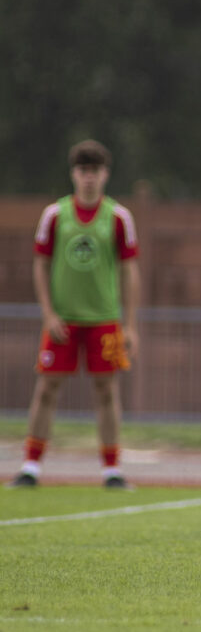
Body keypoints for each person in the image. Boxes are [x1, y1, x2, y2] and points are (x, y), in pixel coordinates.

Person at [7, 139, 140, 489]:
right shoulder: (55, 215)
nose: (89, 178)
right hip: (63, 319)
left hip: (104, 319)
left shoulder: (119, 217)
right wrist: (48, 313)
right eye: (83, 171)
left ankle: (112, 469)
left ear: (105, 174)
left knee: (107, 391)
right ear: (73, 174)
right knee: (47, 387)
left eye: (95, 171)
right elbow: (40, 263)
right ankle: (31, 466)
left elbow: (129, 271)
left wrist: (130, 324)